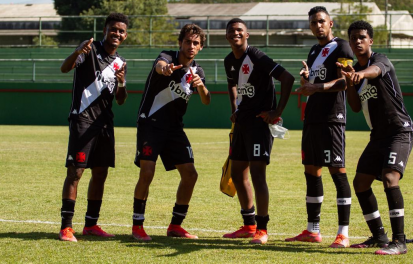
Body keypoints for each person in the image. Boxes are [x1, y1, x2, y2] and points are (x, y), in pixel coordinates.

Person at [337, 20, 413, 255]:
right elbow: (354, 107)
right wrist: (350, 82)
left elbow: (377, 70)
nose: (357, 41)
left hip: (399, 131)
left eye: (362, 37)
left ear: (370, 40)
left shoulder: (380, 60)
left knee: (391, 177)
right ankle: (379, 236)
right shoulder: (355, 72)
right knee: (360, 183)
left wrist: (359, 74)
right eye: (353, 38)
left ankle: (399, 242)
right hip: (378, 136)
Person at [131, 24, 211, 241]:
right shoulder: (168, 57)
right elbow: (160, 65)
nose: (191, 46)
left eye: (196, 43)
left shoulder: (198, 71)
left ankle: (175, 225)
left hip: (174, 128)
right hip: (151, 123)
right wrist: (165, 69)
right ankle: (137, 226)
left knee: (190, 174)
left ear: (201, 47)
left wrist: (201, 86)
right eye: (187, 41)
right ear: (180, 43)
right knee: (147, 172)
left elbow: (206, 100)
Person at [285, 6, 353, 248]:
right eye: (313, 22)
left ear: (331, 23)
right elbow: (314, 82)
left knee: (337, 172)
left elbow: (346, 80)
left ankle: (343, 233)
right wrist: (307, 78)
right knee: (311, 171)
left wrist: (317, 87)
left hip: (332, 119)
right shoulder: (314, 51)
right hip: (312, 118)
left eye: (321, 21)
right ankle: (313, 230)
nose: (318, 25)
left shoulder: (343, 47)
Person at [222, 18, 294, 244]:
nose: (236, 33)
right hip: (242, 123)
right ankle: (248, 224)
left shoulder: (256, 56)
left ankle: (262, 229)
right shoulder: (228, 61)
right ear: (227, 36)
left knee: (257, 175)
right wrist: (234, 109)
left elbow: (287, 78)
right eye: (232, 30)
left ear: (247, 34)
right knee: (237, 173)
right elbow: (232, 84)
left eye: (240, 30)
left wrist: (276, 110)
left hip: (259, 124)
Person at [58, 13, 129, 242]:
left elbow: (121, 99)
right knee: (76, 172)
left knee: (100, 172)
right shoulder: (88, 50)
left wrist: (122, 82)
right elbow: (64, 68)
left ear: (125, 36)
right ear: (105, 30)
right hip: (83, 118)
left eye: (121, 31)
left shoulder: (120, 63)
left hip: (105, 123)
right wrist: (77, 51)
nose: (117, 33)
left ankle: (91, 225)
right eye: (113, 29)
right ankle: (66, 227)